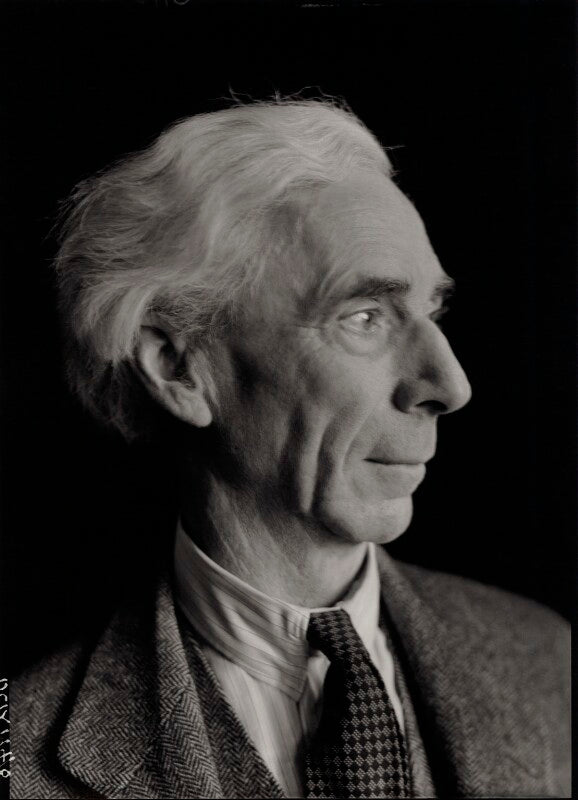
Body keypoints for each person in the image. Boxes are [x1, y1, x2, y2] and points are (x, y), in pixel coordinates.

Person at [10, 99, 570, 799]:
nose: (450, 385)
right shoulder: (19, 756)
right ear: (179, 368)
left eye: (432, 312)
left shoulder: (548, 660)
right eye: (365, 316)